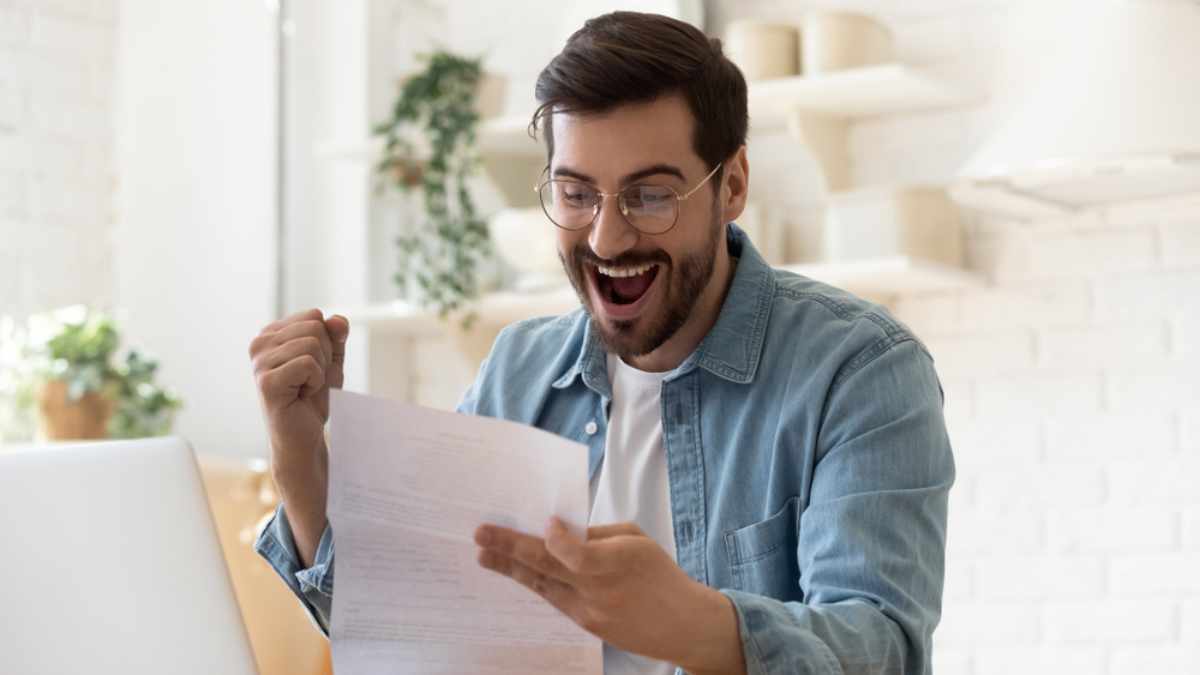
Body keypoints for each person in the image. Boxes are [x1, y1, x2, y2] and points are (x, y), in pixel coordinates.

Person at [249, 11, 954, 675]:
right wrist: (301, 462)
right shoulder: (519, 369)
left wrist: (692, 621)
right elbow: (415, 624)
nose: (607, 237)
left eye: (651, 195)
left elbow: (881, 646)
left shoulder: (860, 370)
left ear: (732, 184)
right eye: (576, 193)